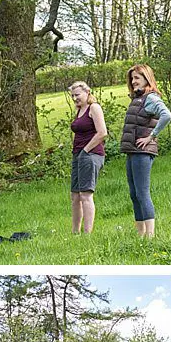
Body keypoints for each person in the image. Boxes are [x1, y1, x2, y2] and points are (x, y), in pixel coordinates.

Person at [120, 64, 171, 238]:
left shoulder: (150, 98)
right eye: (132, 78)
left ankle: (150, 236)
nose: (133, 81)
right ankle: (141, 235)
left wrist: (151, 136)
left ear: (146, 79)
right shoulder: (137, 98)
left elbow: (167, 115)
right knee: (134, 193)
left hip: (142, 151)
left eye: (137, 78)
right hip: (132, 151)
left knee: (142, 192)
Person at [68, 81, 107, 234]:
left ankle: (87, 233)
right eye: (72, 96)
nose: (74, 98)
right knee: (75, 195)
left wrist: (85, 150)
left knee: (85, 194)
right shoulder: (79, 110)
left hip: (91, 154)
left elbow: (102, 133)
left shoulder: (94, 108)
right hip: (78, 155)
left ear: (87, 92)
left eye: (77, 95)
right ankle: (75, 232)